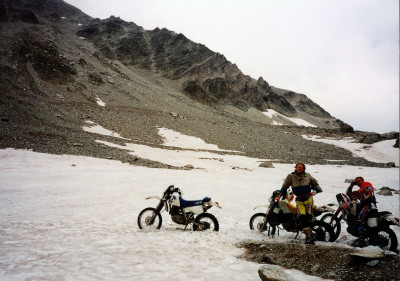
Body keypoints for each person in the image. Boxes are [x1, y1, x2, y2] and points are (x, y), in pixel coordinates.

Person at [279, 162, 323, 244]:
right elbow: (284, 187)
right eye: (298, 167)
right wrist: (280, 195)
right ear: (295, 168)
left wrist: (314, 192)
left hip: (308, 199)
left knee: (308, 217)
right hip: (299, 200)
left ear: (303, 169)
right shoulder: (290, 177)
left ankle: (310, 236)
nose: (299, 168)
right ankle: (309, 237)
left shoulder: (308, 176)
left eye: (301, 167)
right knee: (302, 217)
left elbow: (316, 185)